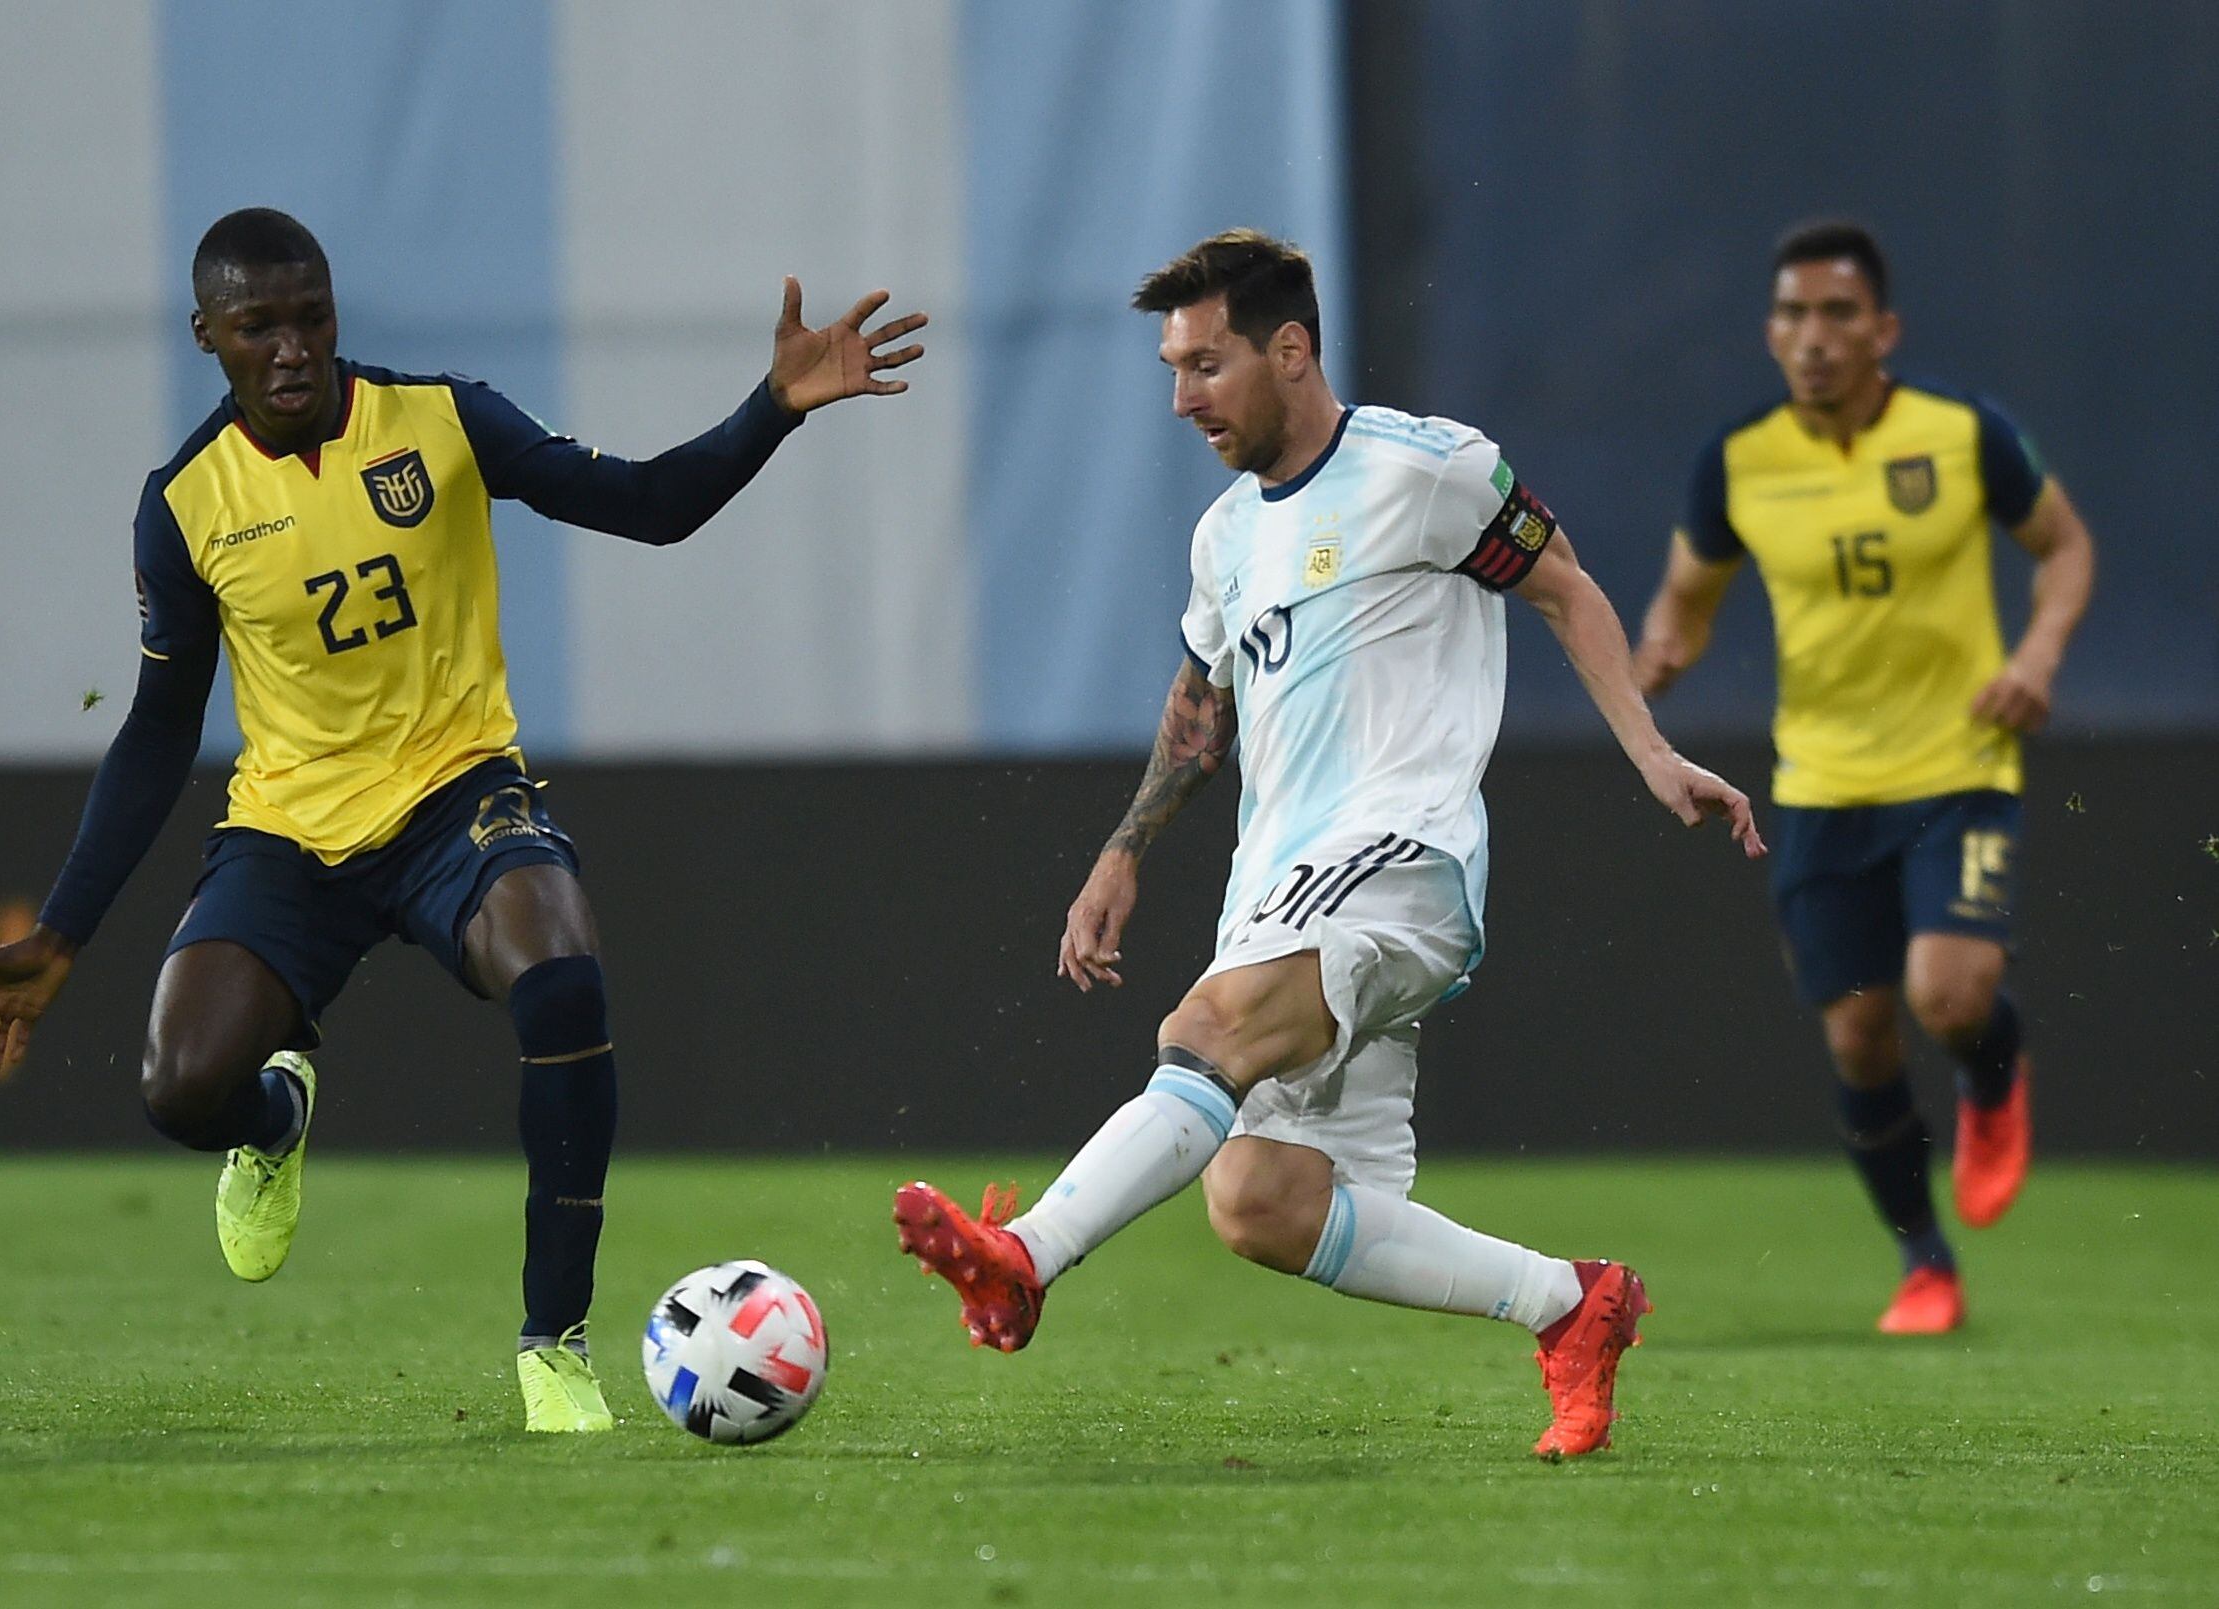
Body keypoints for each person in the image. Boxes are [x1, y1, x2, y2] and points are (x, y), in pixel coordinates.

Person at [0, 207, 926, 1431]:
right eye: (260, 328)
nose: (292, 348)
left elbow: (649, 505)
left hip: (459, 793)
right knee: (182, 1090)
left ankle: (552, 1340)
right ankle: (276, 1116)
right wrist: (63, 932)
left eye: (312, 317)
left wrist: (769, 407)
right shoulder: (185, 505)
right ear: (209, 336)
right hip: (289, 836)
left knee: (562, 978)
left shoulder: (442, 419)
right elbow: (154, 733)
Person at [893, 229, 1762, 1459]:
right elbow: (1204, 700)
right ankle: (1573, 1304)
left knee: (1202, 1033)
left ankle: (1022, 1259)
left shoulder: (1428, 469)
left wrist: (1650, 752)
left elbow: (1563, 584)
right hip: (1278, 888)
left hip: (1398, 861)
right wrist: (1123, 850)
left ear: (1289, 349)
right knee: (1261, 1203)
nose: (1182, 396)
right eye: (1170, 368)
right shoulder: (1223, 538)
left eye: (1205, 364)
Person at [1632, 220, 2095, 1335]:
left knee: (1948, 994)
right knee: (1856, 1035)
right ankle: (1923, 1264)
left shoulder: (1959, 432)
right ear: (1769, 333)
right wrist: (1653, 662)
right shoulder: (1738, 461)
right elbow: (1684, 601)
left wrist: (2032, 659)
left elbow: (2065, 549)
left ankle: (1991, 1070)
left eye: (1837, 314)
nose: (1813, 337)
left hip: (1957, 765)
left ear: (1881, 329)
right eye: (1792, 315)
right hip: (1822, 787)